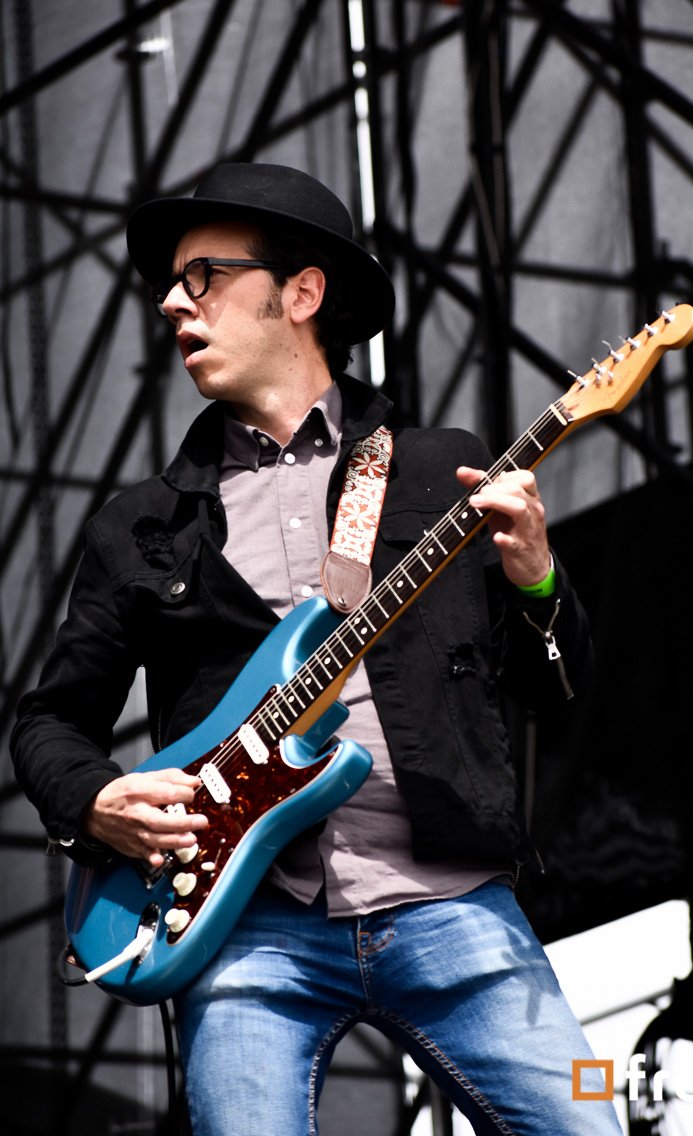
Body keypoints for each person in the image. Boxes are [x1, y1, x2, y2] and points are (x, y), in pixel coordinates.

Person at [11, 163, 621, 1135]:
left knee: (590, 1118)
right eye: (170, 283)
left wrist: (538, 578)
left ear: (301, 294)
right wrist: (92, 801)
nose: (172, 302)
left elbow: (558, 686)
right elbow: (49, 719)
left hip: (453, 902)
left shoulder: (438, 471)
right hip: (243, 924)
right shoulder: (144, 524)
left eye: (204, 275)